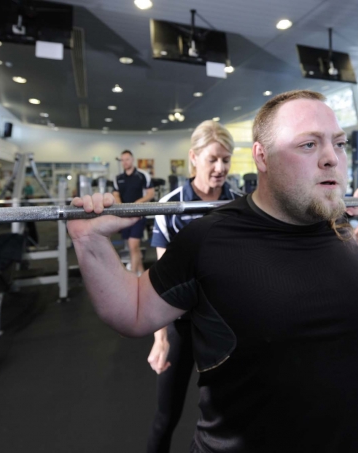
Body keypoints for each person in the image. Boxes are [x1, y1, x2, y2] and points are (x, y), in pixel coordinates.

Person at [68, 90, 358, 452]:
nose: (332, 157)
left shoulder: (339, 227)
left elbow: (346, 275)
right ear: (262, 157)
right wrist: (90, 241)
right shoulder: (208, 237)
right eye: (309, 144)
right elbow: (136, 311)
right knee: (166, 413)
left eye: (340, 143)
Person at [147, 120, 243, 453]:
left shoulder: (240, 203)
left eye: (226, 160)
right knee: (166, 416)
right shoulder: (169, 207)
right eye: (213, 159)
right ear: (194, 157)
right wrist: (160, 338)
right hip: (183, 324)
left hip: (225, 324)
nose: (220, 168)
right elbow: (162, 282)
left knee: (229, 415)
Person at [112, 150, 155, 274]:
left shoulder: (142, 175)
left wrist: (136, 203)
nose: (125, 162)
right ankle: (142, 275)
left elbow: (151, 194)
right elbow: (116, 194)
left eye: (127, 159)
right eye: (122, 160)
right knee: (133, 248)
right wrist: (121, 207)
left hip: (138, 215)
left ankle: (132, 277)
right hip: (125, 216)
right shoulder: (118, 178)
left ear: (132, 159)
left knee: (133, 245)